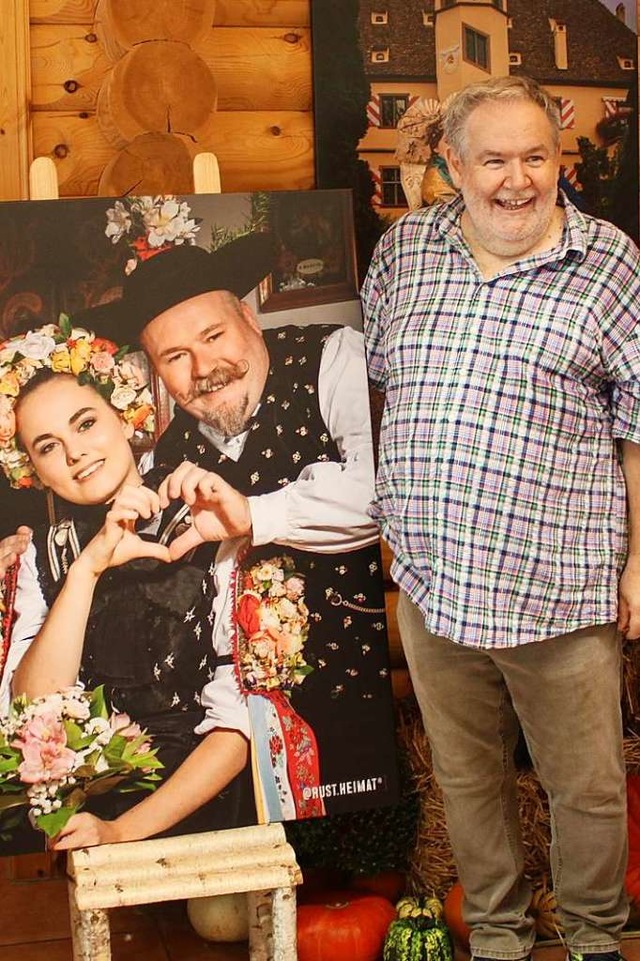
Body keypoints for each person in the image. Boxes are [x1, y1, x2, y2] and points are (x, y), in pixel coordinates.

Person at [361, 74, 640, 961]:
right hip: (434, 580)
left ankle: (597, 941)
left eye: (536, 157)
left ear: (557, 159)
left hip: (559, 582)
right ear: (451, 163)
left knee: (586, 787)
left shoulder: (611, 264)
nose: (518, 179)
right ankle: (497, 940)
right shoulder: (404, 252)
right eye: (494, 159)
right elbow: (381, 389)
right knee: (467, 777)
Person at [95, 226, 399, 816]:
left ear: (250, 320)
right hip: (243, 732)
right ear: (157, 371)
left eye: (214, 336)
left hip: (367, 688)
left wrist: (254, 514)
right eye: (175, 357)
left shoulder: (333, 356)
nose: (204, 367)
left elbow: (382, 488)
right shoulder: (163, 460)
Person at [0, 322, 254, 851]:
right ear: (34, 470)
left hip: (204, 807)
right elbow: (31, 712)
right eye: (48, 446)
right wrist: (87, 568)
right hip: (85, 815)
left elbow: (238, 729)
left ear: (125, 415)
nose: (76, 454)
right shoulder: (39, 556)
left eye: (86, 423)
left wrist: (122, 831)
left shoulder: (208, 514)